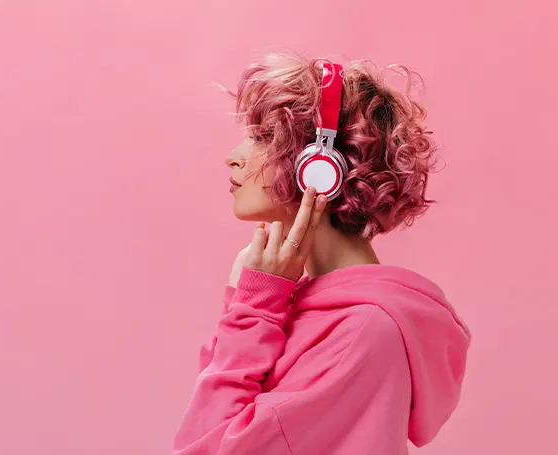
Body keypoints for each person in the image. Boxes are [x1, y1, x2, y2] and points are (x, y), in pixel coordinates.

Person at [172, 53, 471, 455]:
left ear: (319, 164)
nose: (234, 155)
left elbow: (206, 447)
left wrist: (250, 313)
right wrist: (255, 307)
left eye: (261, 138)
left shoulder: (361, 329)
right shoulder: (303, 307)